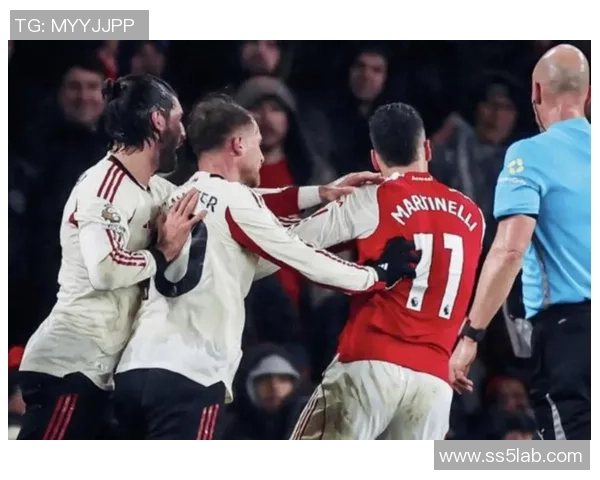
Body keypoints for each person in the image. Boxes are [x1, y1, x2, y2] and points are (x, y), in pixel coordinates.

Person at [113, 94, 419, 440]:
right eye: (257, 144)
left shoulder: (178, 195)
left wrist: (321, 192)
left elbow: (254, 206)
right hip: (191, 373)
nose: (261, 156)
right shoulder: (237, 203)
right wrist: (376, 275)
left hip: (135, 368)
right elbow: (300, 255)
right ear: (238, 145)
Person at [17, 74, 202, 440]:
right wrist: (161, 254)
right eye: (179, 119)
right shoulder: (104, 187)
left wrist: (309, 199)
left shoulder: (155, 188)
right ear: (158, 120)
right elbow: (104, 268)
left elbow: (216, 202)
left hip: (103, 371)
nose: (184, 133)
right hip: (71, 366)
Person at [287, 102, 485, 440]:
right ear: (427, 149)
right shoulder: (473, 215)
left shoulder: (373, 197)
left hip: (369, 365)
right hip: (435, 384)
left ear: (375, 159)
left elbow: (286, 243)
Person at [449, 44, 591, 441]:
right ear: (589, 94)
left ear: (536, 92)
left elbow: (510, 251)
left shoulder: (529, 155)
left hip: (571, 335)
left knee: (572, 457)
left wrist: (471, 336)